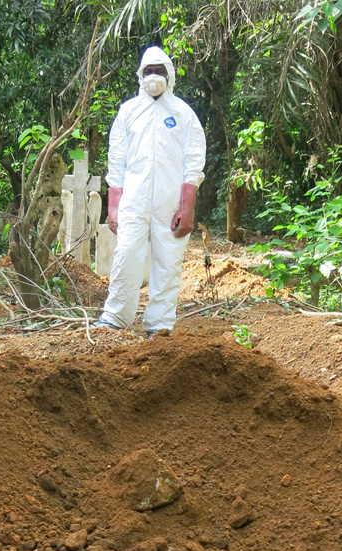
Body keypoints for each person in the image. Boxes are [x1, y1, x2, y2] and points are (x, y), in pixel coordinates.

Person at [93, 46, 206, 337]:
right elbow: (116, 161)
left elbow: (194, 162)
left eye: (159, 71)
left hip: (171, 206)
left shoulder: (183, 114)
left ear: (170, 76)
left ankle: (159, 324)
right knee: (126, 257)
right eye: (148, 71)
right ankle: (115, 318)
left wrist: (188, 208)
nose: (154, 76)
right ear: (140, 75)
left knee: (167, 264)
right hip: (133, 202)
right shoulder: (128, 112)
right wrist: (114, 207)